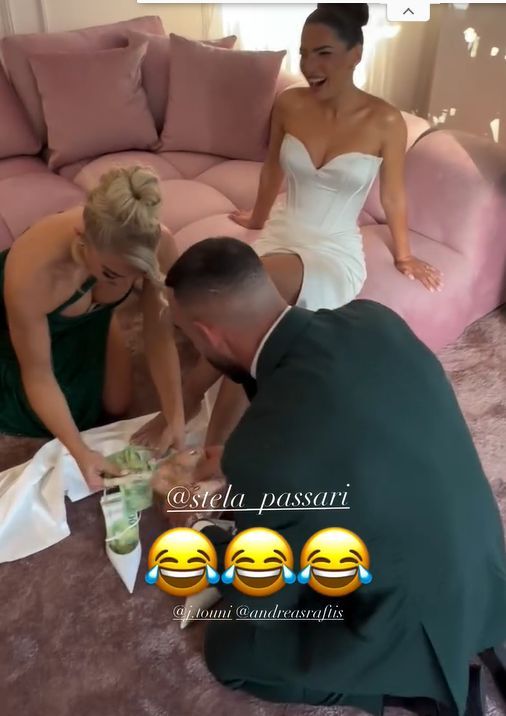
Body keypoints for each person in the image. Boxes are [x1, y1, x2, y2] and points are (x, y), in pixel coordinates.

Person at [164, 237, 506, 716]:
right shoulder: (374, 319)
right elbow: (347, 434)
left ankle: (416, 692)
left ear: (209, 335)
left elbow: (264, 605)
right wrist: (243, 467)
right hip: (487, 565)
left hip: (414, 619)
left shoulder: (260, 453)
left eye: (187, 336)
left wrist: (194, 531)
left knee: (231, 650)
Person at [149, 2, 444, 446]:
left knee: (249, 300)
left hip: (332, 250)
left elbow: (393, 195)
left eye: (323, 53)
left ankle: (196, 416)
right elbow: (272, 170)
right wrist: (257, 218)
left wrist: (404, 257)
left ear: (355, 54)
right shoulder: (288, 104)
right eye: (304, 53)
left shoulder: (386, 121)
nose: (309, 66)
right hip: (283, 231)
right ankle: (207, 434)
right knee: (244, 304)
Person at [0, 166, 184, 488]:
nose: (128, 282)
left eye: (136, 273)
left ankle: (101, 317)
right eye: (113, 274)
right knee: (47, 415)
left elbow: (159, 334)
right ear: (82, 239)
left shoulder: (159, 242)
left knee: (117, 404)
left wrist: (175, 416)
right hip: (24, 321)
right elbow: (38, 375)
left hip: (93, 312)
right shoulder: (31, 273)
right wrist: (82, 453)